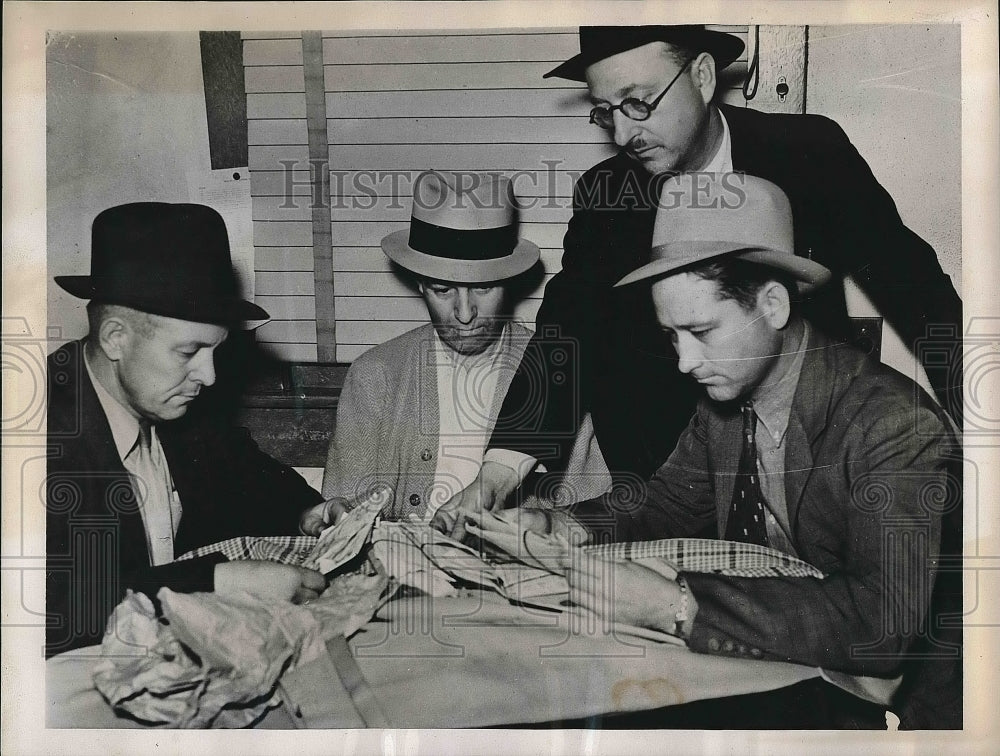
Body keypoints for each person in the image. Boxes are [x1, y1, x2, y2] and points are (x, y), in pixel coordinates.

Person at [466, 174, 962, 729]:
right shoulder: (725, 401)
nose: (684, 361)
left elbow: (881, 625)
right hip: (793, 676)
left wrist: (677, 604)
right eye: (672, 336)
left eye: (701, 330)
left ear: (773, 305)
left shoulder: (896, 424)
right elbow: (663, 508)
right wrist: (560, 526)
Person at [435, 24, 962, 529]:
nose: (623, 133)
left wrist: (977, 412)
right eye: (606, 112)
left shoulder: (810, 154)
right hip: (661, 483)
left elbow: (915, 288)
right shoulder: (605, 194)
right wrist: (497, 473)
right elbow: (568, 332)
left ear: (704, 76)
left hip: (810, 472)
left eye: (639, 102)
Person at [46, 202, 328, 658]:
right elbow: (47, 603)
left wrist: (308, 511)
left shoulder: (168, 400)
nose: (210, 376)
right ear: (116, 337)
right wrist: (218, 581)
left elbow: (245, 469)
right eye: (189, 352)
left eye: (216, 351)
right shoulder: (32, 430)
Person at [299, 170, 609, 533]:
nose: (465, 315)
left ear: (510, 281)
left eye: (484, 288)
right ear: (419, 284)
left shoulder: (559, 369)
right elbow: (342, 514)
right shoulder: (375, 374)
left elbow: (591, 510)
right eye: (442, 290)